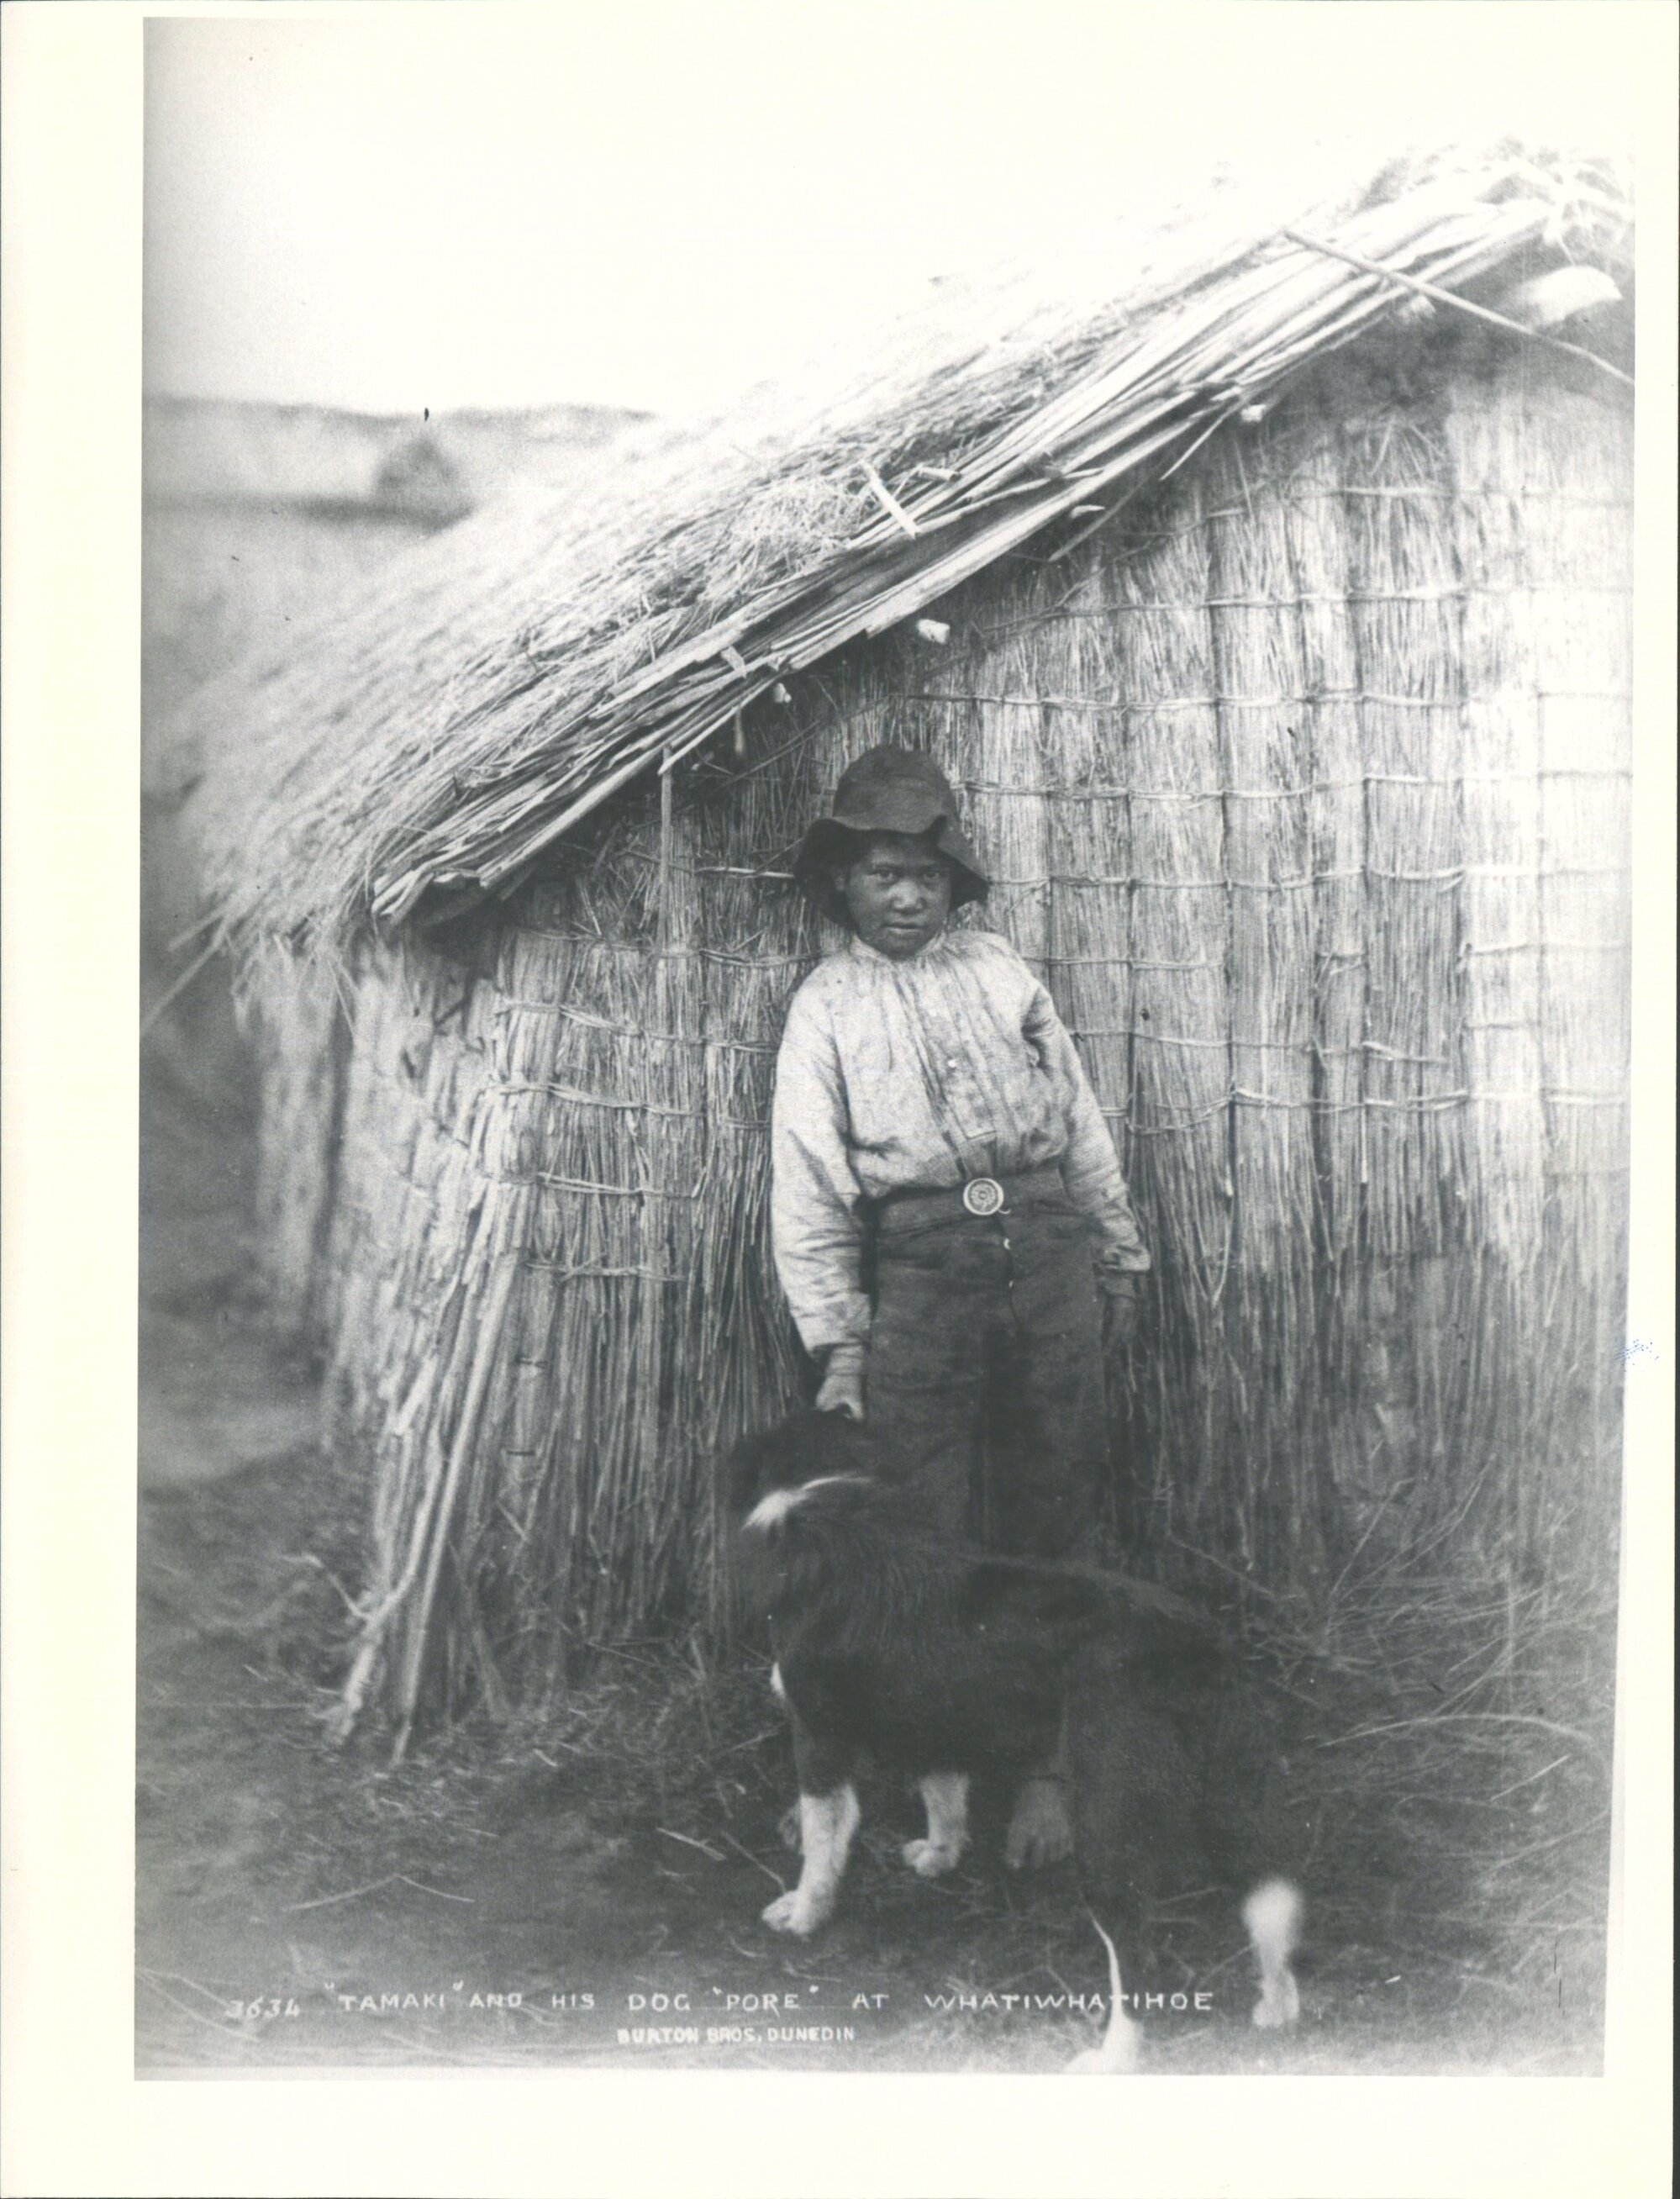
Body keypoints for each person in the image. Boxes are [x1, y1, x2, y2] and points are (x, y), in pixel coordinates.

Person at [770, 744, 1151, 1865]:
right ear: (841, 881)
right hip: (922, 1273)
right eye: (882, 874)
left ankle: (1046, 1776)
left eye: (925, 878)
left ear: (956, 888)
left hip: (1044, 1248)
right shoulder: (826, 1007)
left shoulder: (998, 973)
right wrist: (840, 1337)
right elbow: (811, 1183)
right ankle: (924, 1787)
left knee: (1054, 1507)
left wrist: (1112, 1245)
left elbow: (1075, 1113)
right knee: (918, 1528)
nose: (905, 896)